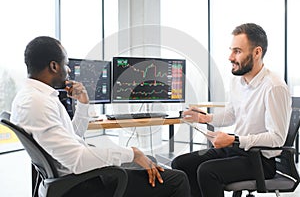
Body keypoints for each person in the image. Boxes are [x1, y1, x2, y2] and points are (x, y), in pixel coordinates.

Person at [11, 36, 190, 197]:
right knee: (177, 179)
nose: (69, 71)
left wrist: (83, 103)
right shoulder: (37, 103)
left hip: (74, 178)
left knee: (151, 162)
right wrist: (133, 153)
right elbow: (77, 160)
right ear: (53, 66)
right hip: (84, 184)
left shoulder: (33, 97)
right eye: (66, 64)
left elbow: (73, 137)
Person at [171, 23, 291, 197]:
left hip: (260, 160)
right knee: (181, 163)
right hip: (238, 151)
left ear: (257, 52)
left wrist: (234, 139)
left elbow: (277, 139)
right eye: (231, 50)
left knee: (207, 171)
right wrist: (206, 118)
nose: (230, 57)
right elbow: (231, 114)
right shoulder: (238, 81)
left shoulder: (274, 87)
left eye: (237, 51)